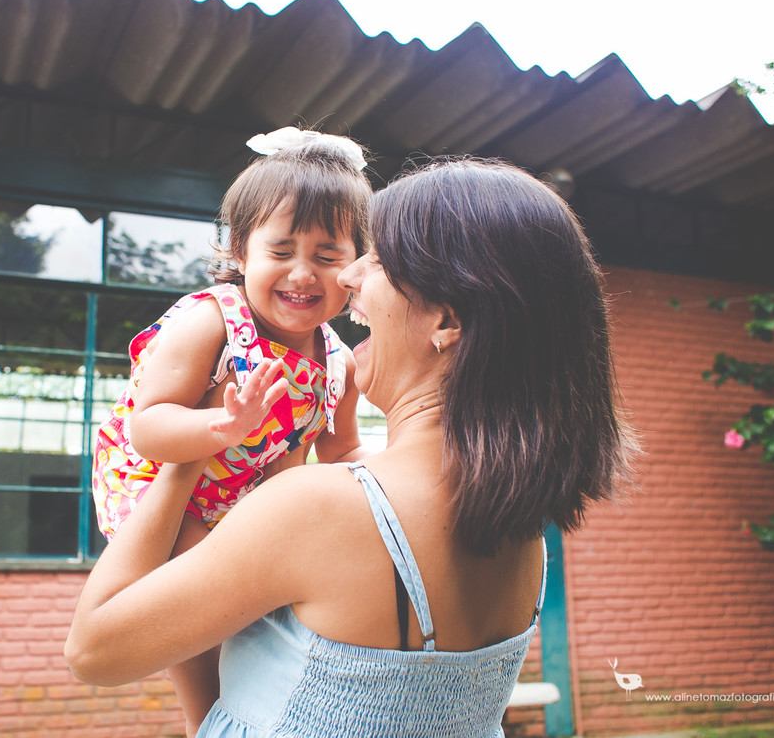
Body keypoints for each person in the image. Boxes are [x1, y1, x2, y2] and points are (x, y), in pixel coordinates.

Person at [67, 157, 636, 736]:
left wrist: (193, 452)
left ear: (446, 319)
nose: (347, 277)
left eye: (378, 258)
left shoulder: (318, 508)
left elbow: (94, 652)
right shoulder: (523, 533)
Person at [90, 127, 373, 734]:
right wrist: (221, 424)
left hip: (245, 500)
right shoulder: (212, 322)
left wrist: (392, 479)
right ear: (240, 252)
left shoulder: (339, 363)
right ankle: (208, 723)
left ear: (356, 269)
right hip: (161, 484)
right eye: (281, 251)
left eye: (327, 256)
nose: (302, 273)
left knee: (254, 606)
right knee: (208, 614)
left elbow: (341, 448)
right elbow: (149, 427)